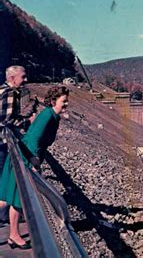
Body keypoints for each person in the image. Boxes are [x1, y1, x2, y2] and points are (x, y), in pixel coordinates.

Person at [0, 85, 69, 249]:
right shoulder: (47, 116)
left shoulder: (52, 115)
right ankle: (14, 235)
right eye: (64, 101)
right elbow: (34, 139)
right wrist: (34, 161)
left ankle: (13, 234)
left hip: (25, 155)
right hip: (25, 157)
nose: (66, 104)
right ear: (53, 101)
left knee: (5, 198)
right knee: (18, 198)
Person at [0, 66, 31, 226]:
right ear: (12, 78)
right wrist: (27, 122)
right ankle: (4, 217)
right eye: (23, 77)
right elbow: (6, 121)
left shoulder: (2, 90)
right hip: (1, 142)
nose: (26, 80)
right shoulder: (10, 93)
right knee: (3, 178)